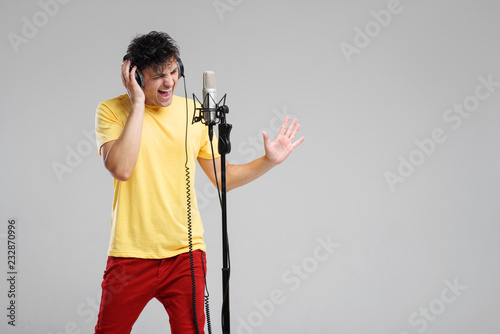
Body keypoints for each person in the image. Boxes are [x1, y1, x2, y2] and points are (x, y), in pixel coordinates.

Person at [93, 31, 304, 334]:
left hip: (186, 254)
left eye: (174, 72)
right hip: (131, 254)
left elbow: (224, 179)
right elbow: (121, 168)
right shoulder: (112, 110)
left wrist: (268, 161)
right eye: (157, 76)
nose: (169, 83)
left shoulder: (193, 113)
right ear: (135, 77)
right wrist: (137, 103)